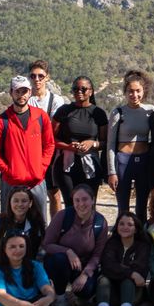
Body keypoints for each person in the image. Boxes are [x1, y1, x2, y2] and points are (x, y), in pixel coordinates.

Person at [0, 75, 55, 228]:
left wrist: (41, 168)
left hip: (36, 181)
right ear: (11, 93)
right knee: (9, 221)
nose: (21, 95)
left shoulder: (41, 117)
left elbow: (49, 145)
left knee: (39, 222)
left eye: (24, 91)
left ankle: (39, 251)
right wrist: (8, 172)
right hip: (11, 182)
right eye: (17, 91)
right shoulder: (1, 121)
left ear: (30, 92)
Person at [40, 183, 109, 306]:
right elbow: (47, 244)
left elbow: (97, 255)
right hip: (59, 261)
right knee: (59, 260)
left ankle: (78, 295)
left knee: (87, 290)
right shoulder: (63, 216)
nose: (81, 204)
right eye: (77, 200)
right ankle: (60, 299)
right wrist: (68, 251)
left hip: (82, 265)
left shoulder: (100, 222)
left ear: (93, 200)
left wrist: (85, 274)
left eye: (85, 199)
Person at [0, 186, 45, 306]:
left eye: (24, 201)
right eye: (16, 200)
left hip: (23, 267)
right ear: (9, 202)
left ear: (30, 203)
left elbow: (34, 254)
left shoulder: (35, 225)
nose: (20, 204)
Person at [51, 75, 108, 209]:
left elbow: (105, 142)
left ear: (91, 91)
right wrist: (68, 147)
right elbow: (50, 139)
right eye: (76, 89)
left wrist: (92, 144)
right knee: (71, 205)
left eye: (83, 89)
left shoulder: (98, 113)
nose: (79, 92)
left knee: (88, 206)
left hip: (91, 166)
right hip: (65, 165)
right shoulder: (63, 111)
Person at [107, 70, 154, 220]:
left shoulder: (150, 111)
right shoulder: (118, 112)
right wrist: (111, 172)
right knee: (123, 206)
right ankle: (120, 238)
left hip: (144, 161)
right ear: (125, 92)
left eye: (138, 91)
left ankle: (142, 239)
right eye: (130, 91)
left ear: (144, 91)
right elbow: (110, 144)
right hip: (123, 161)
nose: (134, 95)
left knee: (142, 206)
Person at [96, 212, 151, 306]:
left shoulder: (142, 246)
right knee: (103, 279)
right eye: (121, 224)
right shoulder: (112, 242)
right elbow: (107, 266)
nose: (125, 227)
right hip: (111, 293)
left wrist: (127, 273)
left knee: (128, 281)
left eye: (130, 224)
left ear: (136, 229)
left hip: (132, 292)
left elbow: (140, 270)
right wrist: (131, 273)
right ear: (117, 226)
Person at [26, 59, 68, 217]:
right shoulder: (26, 98)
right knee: (29, 194)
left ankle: (54, 228)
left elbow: (54, 128)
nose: (37, 79)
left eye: (40, 76)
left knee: (54, 193)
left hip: (49, 154)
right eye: (33, 76)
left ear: (47, 77)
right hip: (29, 154)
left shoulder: (56, 100)